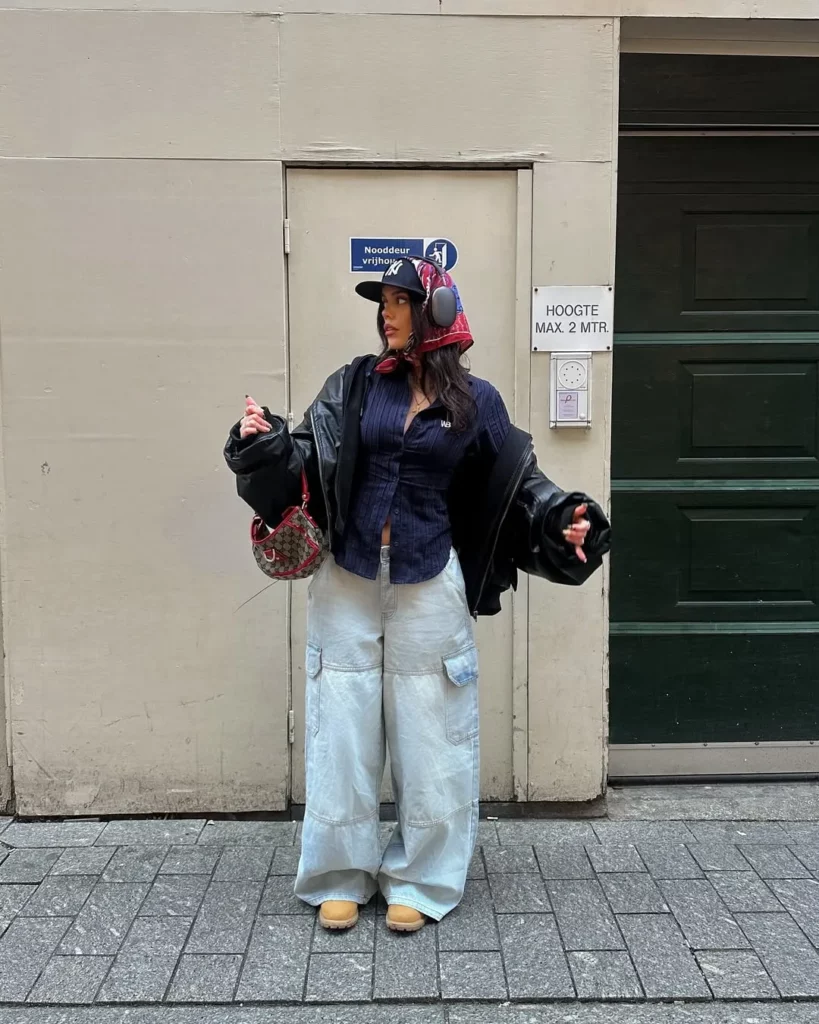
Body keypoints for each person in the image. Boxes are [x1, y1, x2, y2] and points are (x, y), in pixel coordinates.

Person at [224, 256, 610, 934]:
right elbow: (307, 462)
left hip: (429, 578)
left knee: (434, 732)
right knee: (340, 727)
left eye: (400, 301)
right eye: (383, 302)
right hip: (346, 576)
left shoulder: (477, 402)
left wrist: (561, 518)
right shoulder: (353, 387)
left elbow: (517, 484)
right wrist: (262, 445)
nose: (386, 313)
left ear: (436, 312)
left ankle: (422, 877)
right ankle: (338, 873)